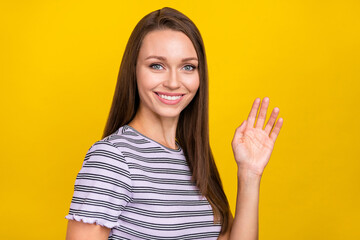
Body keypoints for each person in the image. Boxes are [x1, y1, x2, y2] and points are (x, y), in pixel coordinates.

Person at [65, 7, 283, 240]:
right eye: (157, 65)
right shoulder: (112, 158)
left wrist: (249, 174)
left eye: (187, 67)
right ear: (134, 71)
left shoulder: (195, 160)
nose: (173, 82)